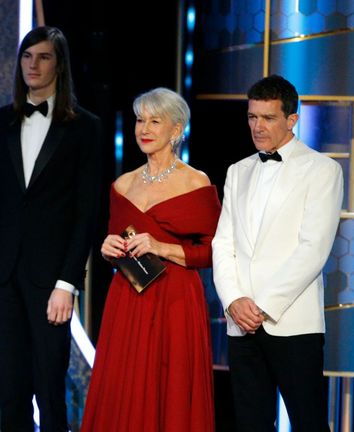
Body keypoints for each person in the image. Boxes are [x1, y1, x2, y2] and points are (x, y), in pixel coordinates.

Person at [0, 26, 103, 432]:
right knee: (11, 392)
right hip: (4, 277)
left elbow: (87, 213)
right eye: (27, 56)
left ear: (58, 64)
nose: (33, 64)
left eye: (43, 57)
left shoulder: (85, 128)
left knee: (50, 390)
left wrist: (68, 283)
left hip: (52, 282)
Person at [81, 88, 219, 431]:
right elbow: (120, 245)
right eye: (140, 120)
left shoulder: (196, 182)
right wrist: (108, 249)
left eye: (154, 121)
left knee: (168, 391)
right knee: (125, 388)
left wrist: (161, 246)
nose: (144, 128)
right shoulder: (122, 185)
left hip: (176, 302)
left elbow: (214, 252)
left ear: (176, 130)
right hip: (128, 300)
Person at [212, 75, 343, 431]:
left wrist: (262, 306)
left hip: (291, 323)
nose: (258, 126)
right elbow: (223, 243)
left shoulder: (323, 170)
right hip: (242, 324)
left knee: (308, 421)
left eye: (268, 118)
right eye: (252, 117)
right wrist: (235, 299)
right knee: (251, 422)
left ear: (292, 120)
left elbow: (313, 248)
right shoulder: (237, 171)